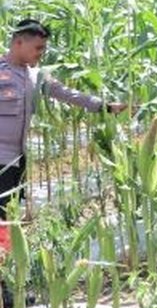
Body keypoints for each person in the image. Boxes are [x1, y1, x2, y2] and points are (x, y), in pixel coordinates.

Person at [0, 19, 126, 223]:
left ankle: (6, 253)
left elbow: (67, 93)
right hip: (1, 159)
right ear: (18, 43)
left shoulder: (35, 76)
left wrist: (105, 106)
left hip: (17, 160)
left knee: (8, 214)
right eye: (38, 48)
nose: (41, 53)